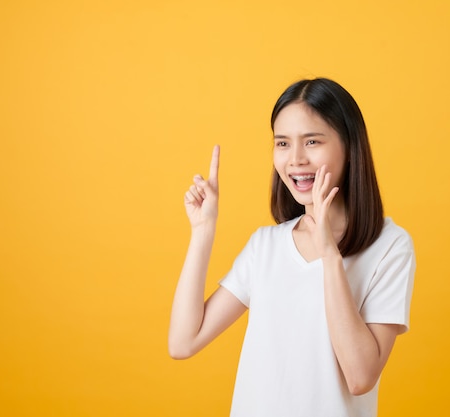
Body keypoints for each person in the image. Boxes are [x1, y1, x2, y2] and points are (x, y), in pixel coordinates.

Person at [168, 78, 415, 417]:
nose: (295, 159)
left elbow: (360, 377)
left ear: (349, 145)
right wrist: (203, 230)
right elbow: (183, 342)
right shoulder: (265, 246)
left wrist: (330, 255)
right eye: (282, 143)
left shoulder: (389, 246)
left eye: (312, 141)